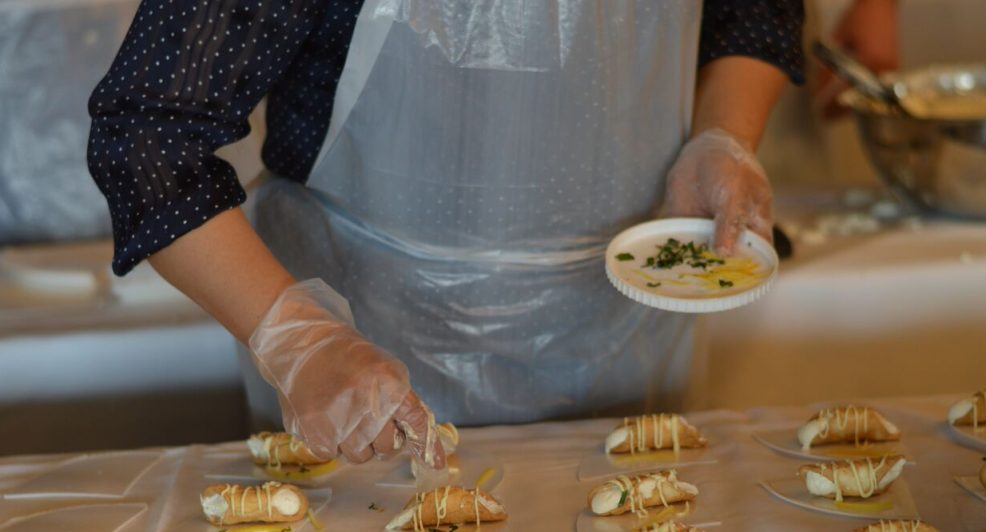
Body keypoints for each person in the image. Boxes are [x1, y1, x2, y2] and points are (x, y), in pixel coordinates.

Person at [88, 0, 804, 470]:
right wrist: (294, 337)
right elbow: (148, 139)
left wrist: (725, 134)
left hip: (622, 346)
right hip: (360, 368)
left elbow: (755, 14)